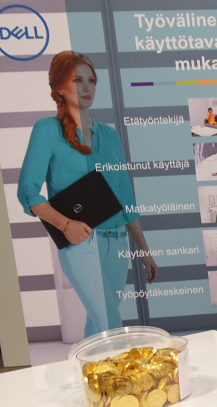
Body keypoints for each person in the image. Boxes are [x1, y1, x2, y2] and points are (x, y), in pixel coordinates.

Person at [18, 51, 157, 338]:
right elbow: (29, 194)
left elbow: (126, 200)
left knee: (98, 326)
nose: (87, 87)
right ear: (59, 87)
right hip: (80, 242)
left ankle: (90, 367)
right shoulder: (47, 130)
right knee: (110, 325)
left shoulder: (110, 135)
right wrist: (66, 225)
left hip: (116, 242)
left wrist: (144, 252)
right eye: (77, 80)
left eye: (91, 81)